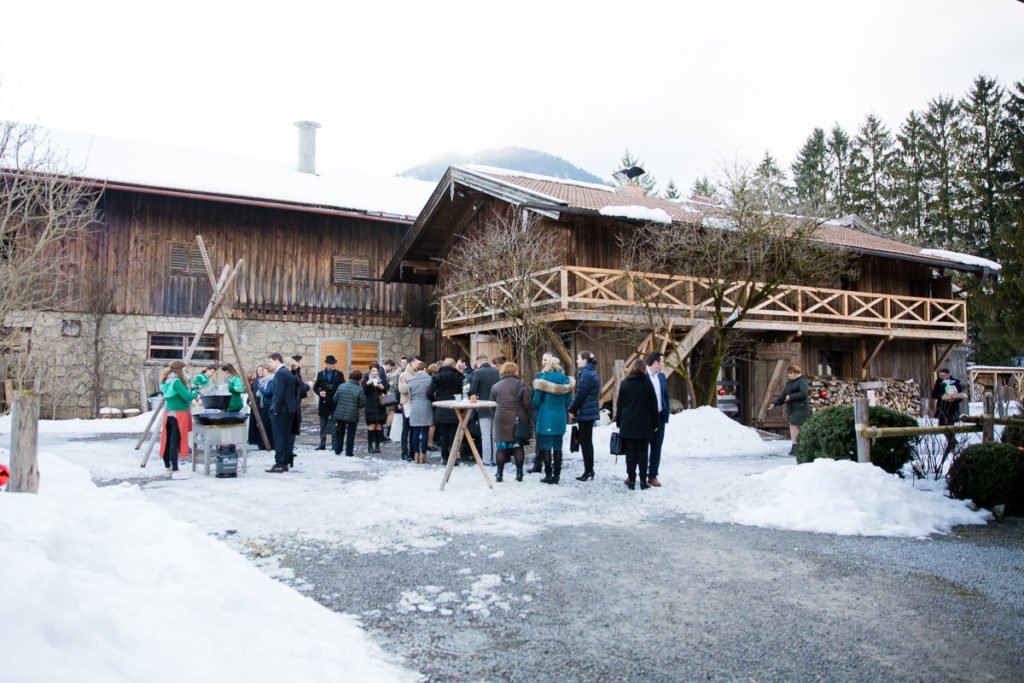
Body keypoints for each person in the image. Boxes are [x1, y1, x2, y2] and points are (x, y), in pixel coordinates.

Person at [616, 359, 660, 490]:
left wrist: (619, 421)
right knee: (643, 453)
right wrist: (655, 423)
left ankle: (631, 479)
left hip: (628, 424)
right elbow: (653, 405)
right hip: (644, 424)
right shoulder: (647, 384)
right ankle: (642, 480)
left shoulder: (625, 384)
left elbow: (620, 404)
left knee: (630, 453)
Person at [532, 355, 573, 484]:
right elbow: (569, 402)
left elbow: (536, 402)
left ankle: (548, 475)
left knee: (546, 446)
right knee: (558, 446)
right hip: (560, 416)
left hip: (546, 416)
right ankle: (557, 475)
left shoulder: (542, 380)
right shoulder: (566, 381)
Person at [491, 361, 533, 482]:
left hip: (501, 418)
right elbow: (527, 403)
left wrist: (496, 415)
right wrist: (530, 417)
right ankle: (519, 474)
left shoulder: (496, 386)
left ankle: (499, 474)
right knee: (518, 446)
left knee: (501, 447)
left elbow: (492, 404)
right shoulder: (521, 385)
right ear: (515, 371)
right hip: (517, 419)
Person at [159, 360, 198, 479]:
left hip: (169, 413)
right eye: (183, 369)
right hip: (178, 413)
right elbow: (186, 396)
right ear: (179, 370)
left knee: (167, 441)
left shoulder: (166, 379)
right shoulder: (176, 382)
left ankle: (168, 468)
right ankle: (175, 470)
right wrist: (195, 393)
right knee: (174, 443)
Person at [568, 350, 600, 481]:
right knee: (587, 442)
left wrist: (572, 408)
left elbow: (581, 394)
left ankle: (588, 470)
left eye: (579, 359)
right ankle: (589, 469)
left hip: (586, 412)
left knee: (586, 443)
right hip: (589, 411)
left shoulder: (587, 375)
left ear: (585, 360)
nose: (577, 361)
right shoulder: (590, 372)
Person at [266, 352, 299, 473]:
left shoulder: (280, 374)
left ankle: (280, 463)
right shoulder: (287, 373)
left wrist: (275, 409)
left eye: (270, 362)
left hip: (281, 411)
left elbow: (279, 394)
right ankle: (284, 462)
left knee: (279, 437)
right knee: (286, 437)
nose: (268, 365)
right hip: (289, 409)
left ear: (277, 361)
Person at [768, 364, 810, 456]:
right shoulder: (789, 383)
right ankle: (798, 447)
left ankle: (797, 447)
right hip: (792, 409)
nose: (789, 375)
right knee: (797, 427)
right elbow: (783, 396)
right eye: (788, 373)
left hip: (801, 408)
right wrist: (774, 404)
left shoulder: (802, 381)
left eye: (791, 373)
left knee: (794, 425)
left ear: (796, 373)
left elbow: (803, 393)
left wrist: (790, 396)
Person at [428, 358, 463, 465]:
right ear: (453, 365)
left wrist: (436, 401)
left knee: (443, 435)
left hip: (441, 407)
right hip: (454, 407)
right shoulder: (458, 376)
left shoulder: (437, 377)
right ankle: (453, 458)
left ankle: (444, 457)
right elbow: (461, 393)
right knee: (453, 435)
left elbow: (429, 392)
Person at [469, 354, 501, 465]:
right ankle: (496, 459)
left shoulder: (478, 373)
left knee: (486, 435)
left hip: (483, 407)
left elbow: (472, 391)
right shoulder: (497, 371)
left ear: (478, 363)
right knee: (495, 435)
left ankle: (487, 460)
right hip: (496, 406)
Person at [645, 352, 671, 487]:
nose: (663, 363)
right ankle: (635, 474)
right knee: (642, 447)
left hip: (660, 416)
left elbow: (665, 395)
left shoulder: (661, 377)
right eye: (662, 361)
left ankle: (653, 475)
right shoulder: (643, 376)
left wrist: (666, 413)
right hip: (645, 418)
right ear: (656, 362)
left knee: (656, 446)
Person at [313, 355, 345, 451]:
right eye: (331, 363)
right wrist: (319, 393)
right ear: (327, 364)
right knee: (323, 424)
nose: (333, 365)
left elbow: (343, 387)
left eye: (334, 363)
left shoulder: (339, 374)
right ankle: (322, 443)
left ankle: (334, 444)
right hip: (324, 402)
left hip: (335, 403)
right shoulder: (320, 374)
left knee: (335, 423)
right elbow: (315, 387)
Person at [331, 369, 365, 457]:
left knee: (340, 432)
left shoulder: (341, 386)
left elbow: (335, 399)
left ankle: (338, 449)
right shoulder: (359, 389)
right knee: (351, 433)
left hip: (340, 413)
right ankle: (349, 452)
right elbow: (362, 404)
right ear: (359, 379)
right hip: (352, 414)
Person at [406, 361, 434, 463]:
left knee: (415, 431)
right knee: (425, 431)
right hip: (426, 405)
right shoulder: (430, 379)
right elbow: (432, 393)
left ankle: (416, 455)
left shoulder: (411, 380)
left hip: (415, 406)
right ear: (425, 369)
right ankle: (423, 455)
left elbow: (410, 396)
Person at [363, 363, 390, 453]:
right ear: (370, 371)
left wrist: (383, 387)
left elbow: (386, 388)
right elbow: (363, 391)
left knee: (379, 424)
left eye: (376, 371)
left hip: (380, 404)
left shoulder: (382, 378)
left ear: (379, 371)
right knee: (371, 424)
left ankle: (377, 446)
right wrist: (367, 384)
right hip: (370, 404)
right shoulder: (366, 378)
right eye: (373, 371)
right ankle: (370, 446)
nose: (374, 372)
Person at [397, 357, 417, 461]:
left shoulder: (418, 373)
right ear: (411, 363)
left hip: (416, 404)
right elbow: (401, 389)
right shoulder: (404, 375)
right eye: (415, 362)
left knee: (414, 430)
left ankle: (413, 452)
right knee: (406, 429)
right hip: (407, 404)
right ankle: (404, 452)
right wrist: (413, 385)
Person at [383, 359, 400, 440]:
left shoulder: (386, 374)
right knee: (391, 413)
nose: (392, 369)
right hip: (392, 395)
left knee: (388, 413)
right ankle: (390, 431)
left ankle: (388, 429)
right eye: (392, 367)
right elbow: (396, 388)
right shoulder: (394, 376)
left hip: (386, 394)